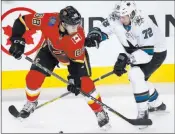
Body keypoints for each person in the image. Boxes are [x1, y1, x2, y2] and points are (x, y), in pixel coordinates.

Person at [9, 6, 110, 129]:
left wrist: (74, 79)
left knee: (85, 84)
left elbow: (76, 63)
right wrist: (17, 41)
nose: (75, 28)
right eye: (71, 25)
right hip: (50, 50)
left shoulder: (77, 36)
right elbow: (22, 21)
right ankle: (31, 102)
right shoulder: (48, 20)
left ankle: (99, 110)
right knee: (32, 78)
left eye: (77, 25)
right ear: (62, 23)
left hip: (73, 58)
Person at [86, 1, 167, 121]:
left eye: (123, 17)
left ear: (132, 14)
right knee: (138, 79)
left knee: (135, 75)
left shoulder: (143, 22)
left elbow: (147, 53)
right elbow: (103, 28)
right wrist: (95, 35)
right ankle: (156, 103)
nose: (120, 18)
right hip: (137, 51)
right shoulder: (118, 16)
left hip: (155, 53)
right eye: (119, 16)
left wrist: (127, 59)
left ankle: (143, 114)